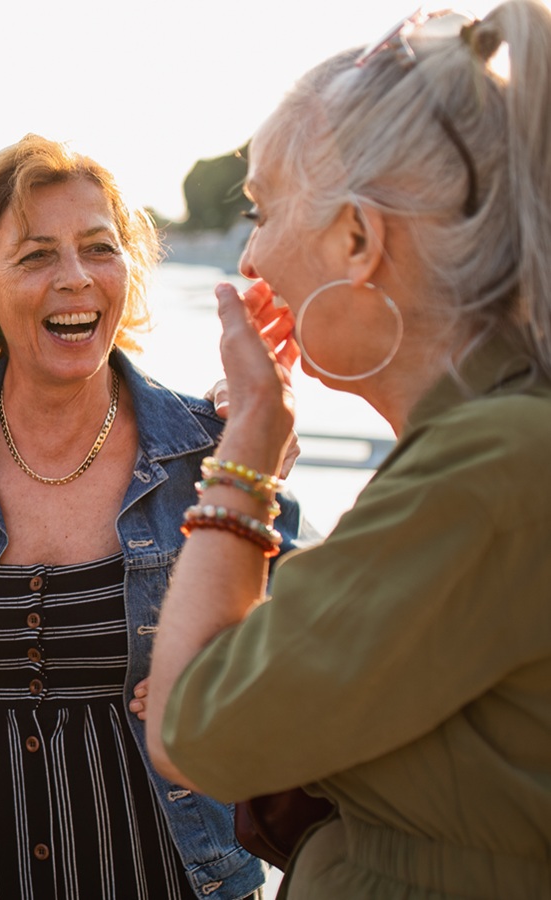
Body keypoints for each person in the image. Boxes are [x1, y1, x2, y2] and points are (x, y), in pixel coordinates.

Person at [146, 4, 551, 898]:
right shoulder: (490, 440)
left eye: (261, 209)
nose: (250, 260)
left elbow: (189, 728)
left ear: (357, 241)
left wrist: (247, 448)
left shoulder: (490, 465)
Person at [0, 135, 308, 899]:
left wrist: (221, 679)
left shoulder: (214, 454)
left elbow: (318, 655)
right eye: (34, 257)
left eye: (99, 248)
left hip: (176, 881)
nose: (75, 279)